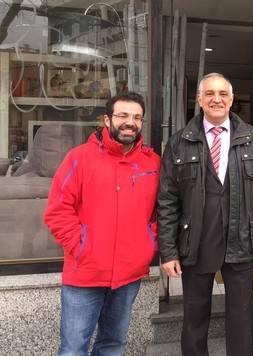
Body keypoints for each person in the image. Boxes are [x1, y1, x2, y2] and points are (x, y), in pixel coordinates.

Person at [157, 73, 253, 356]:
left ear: (232, 99)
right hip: (196, 242)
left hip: (242, 239)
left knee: (241, 317)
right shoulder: (179, 142)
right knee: (195, 317)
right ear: (199, 99)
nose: (216, 99)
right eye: (209, 94)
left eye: (223, 94)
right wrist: (169, 251)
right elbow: (167, 200)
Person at [44, 92, 160, 355]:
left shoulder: (152, 162)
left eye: (136, 117)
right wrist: (81, 246)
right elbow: (57, 210)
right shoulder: (79, 158)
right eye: (122, 115)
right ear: (107, 120)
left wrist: (148, 243)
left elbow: (162, 211)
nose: (130, 122)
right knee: (74, 348)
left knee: (113, 345)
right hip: (85, 273)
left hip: (129, 274)